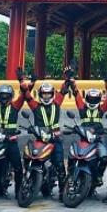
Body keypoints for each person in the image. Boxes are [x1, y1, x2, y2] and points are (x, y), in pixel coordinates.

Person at [22, 69, 73, 201]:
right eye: (43, 94)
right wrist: (24, 81)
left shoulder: (57, 104)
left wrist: (68, 77)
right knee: (27, 158)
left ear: (52, 95)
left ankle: (63, 192)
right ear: (40, 95)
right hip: (39, 138)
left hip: (55, 140)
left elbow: (63, 90)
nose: (46, 96)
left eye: (48, 94)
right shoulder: (35, 106)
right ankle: (24, 183)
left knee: (60, 165)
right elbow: (26, 95)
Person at [69, 73, 107, 190]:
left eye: (95, 99)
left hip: (98, 139)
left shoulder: (101, 109)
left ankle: (98, 176)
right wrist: (72, 81)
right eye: (90, 99)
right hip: (83, 138)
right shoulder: (82, 108)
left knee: (104, 157)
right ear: (86, 99)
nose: (92, 101)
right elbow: (76, 93)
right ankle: (70, 175)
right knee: (72, 155)